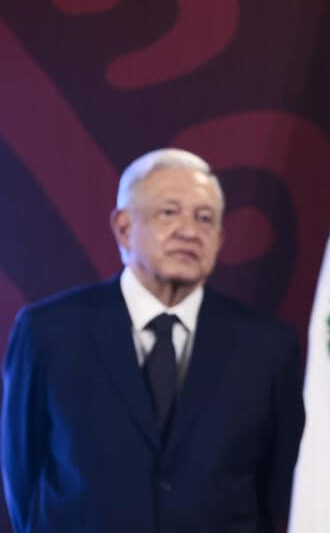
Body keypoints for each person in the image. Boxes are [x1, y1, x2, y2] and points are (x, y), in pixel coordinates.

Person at [1, 149, 305, 533]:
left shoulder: (267, 347)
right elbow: (21, 474)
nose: (189, 230)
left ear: (220, 239)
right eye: (169, 212)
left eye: (205, 218)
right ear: (124, 228)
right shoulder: (49, 331)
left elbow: (278, 486)